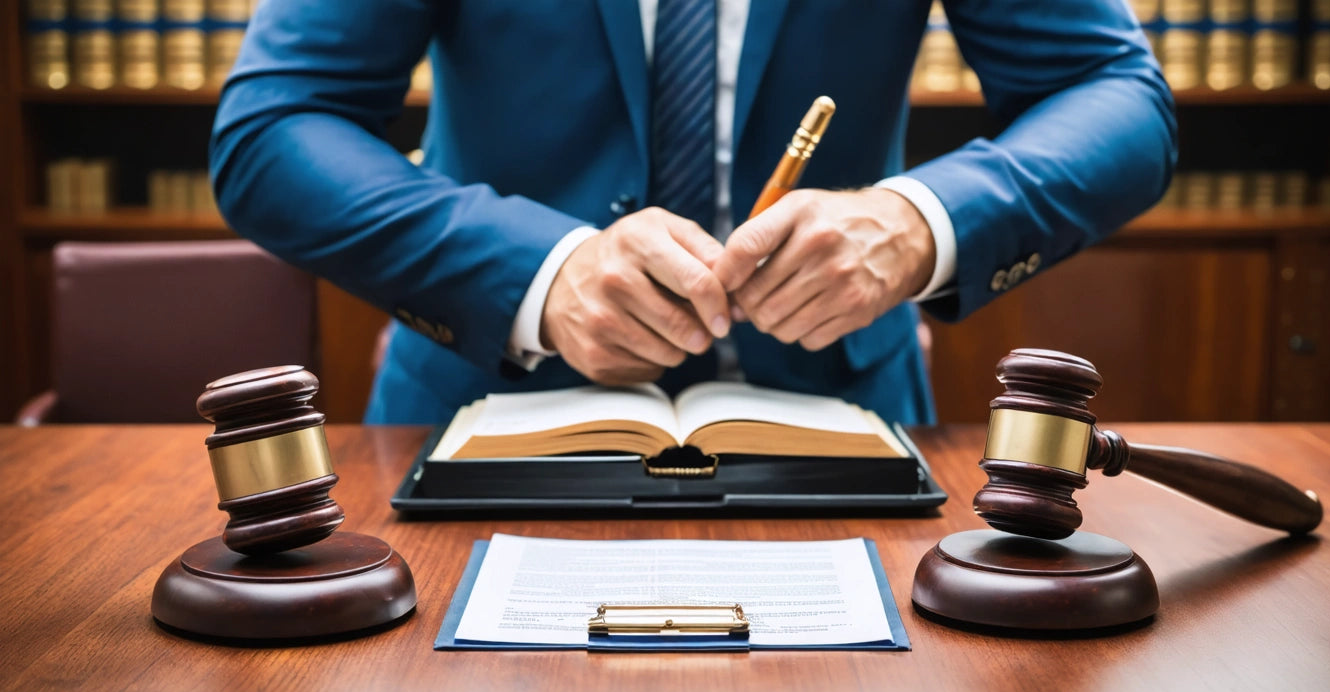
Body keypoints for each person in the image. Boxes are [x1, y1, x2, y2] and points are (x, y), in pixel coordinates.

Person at [210, 1, 1176, 426]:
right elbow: (273, 127)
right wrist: (539, 277)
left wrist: (920, 222)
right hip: (479, 422)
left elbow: (1118, 97)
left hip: (838, 426)